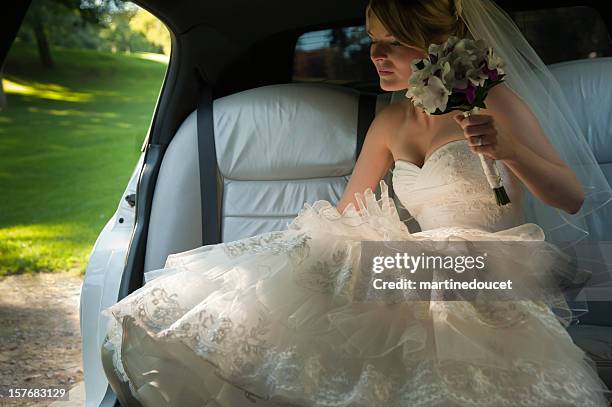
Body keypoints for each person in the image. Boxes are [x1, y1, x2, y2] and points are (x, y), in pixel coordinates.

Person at [101, 0, 612, 405]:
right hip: (419, 267)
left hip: (494, 268)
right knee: (315, 279)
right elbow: (348, 211)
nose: (374, 56)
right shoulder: (390, 123)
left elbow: (570, 198)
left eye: (391, 43)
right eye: (372, 41)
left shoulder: (493, 102)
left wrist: (510, 150)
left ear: (437, 47)